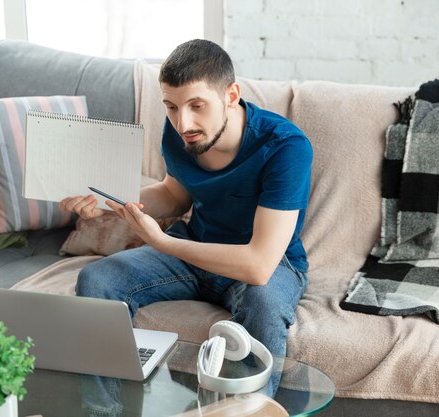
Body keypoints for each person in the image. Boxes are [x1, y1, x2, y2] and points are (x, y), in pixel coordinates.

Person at [60, 39, 313, 360]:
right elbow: (173, 196)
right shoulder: (181, 131)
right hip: (194, 248)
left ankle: (249, 411)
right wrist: (109, 202)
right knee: (97, 279)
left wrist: (162, 242)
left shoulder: (285, 147)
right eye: (172, 106)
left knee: (264, 306)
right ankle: (105, 411)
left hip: (263, 264)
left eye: (197, 105)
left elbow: (259, 266)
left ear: (231, 96)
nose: (183, 123)